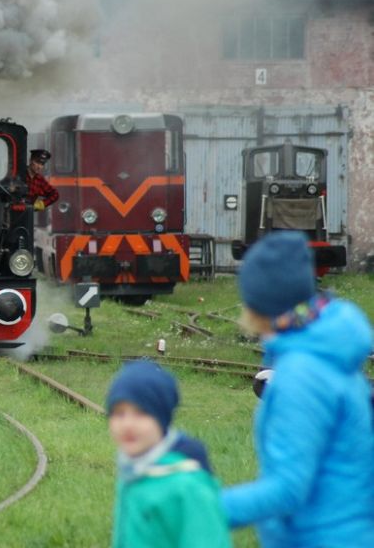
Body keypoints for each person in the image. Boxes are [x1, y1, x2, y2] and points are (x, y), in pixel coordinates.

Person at [221, 231, 374, 547]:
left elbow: (289, 488)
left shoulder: (302, 375)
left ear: (261, 303)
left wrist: (199, 507)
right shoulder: (332, 353)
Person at [107, 360, 231, 548]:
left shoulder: (187, 487)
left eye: (141, 412)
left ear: (162, 418)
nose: (127, 424)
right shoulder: (134, 470)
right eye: (118, 413)